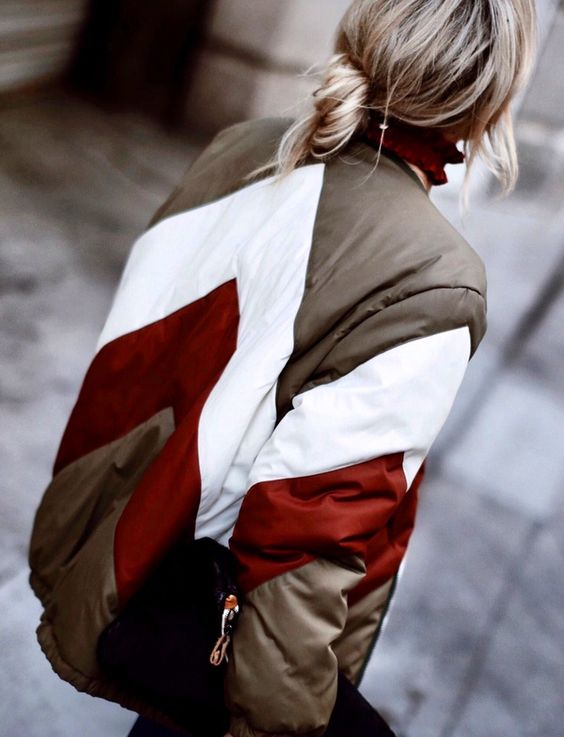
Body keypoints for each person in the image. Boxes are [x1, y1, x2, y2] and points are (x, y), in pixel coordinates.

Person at [29, 1, 537, 737]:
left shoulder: (242, 148)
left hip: (126, 546)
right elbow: (303, 550)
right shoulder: (433, 278)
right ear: (489, 96)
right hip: (214, 617)